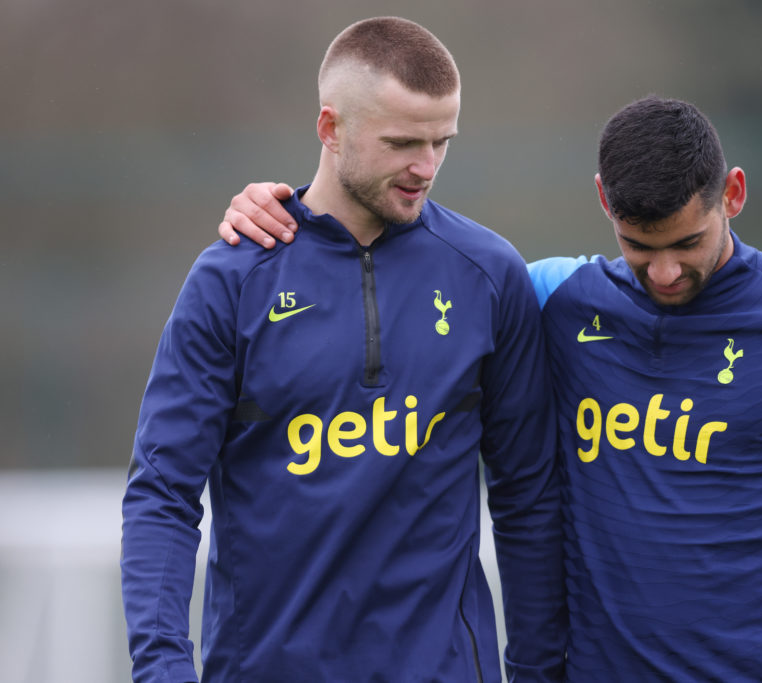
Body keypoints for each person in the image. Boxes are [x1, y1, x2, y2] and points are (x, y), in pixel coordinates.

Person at [220, 97, 762, 681]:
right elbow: (401, 266)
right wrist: (291, 209)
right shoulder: (553, 302)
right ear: (604, 202)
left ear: (733, 193)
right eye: (638, 248)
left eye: (688, 244)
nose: (663, 272)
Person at [121, 17, 565, 683]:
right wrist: (161, 669)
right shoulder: (232, 281)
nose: (426, 166)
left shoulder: (488, 274)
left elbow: (527, 496)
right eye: (402, 142)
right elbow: (162, 492)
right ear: (330, 129)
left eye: (442, 141)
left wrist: (538, 671)